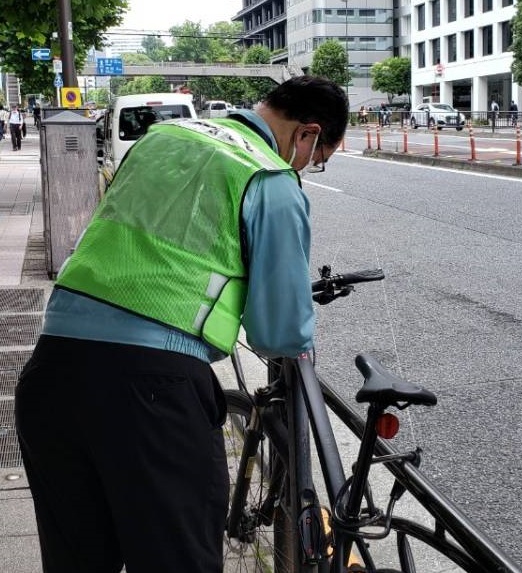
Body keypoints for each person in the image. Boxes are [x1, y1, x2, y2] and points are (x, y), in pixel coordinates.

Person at [15, 75, 349, 573]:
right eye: (317, 157)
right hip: (151, 394)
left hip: (51, 370)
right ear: (307, 134)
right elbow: (278, 332)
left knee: (77, 559)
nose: (307, 166)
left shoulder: (162, 138)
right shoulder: (270, 179)